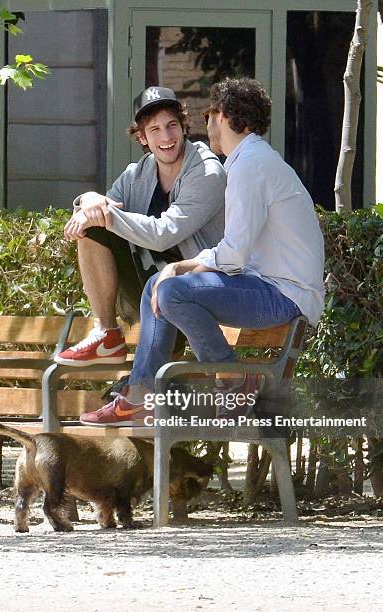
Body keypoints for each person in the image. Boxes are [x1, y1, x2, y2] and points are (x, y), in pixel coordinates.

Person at [79, 77, 325, 426]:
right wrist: (182, 268)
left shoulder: (249, 165)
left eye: (209, 113)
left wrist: (185, 267)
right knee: (158, 287)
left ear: (223, 116)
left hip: (285, 295)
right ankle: (140, 396)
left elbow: (234, 255)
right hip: (273, 286)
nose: (205, 123)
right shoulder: (249, 160)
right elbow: (234, 253)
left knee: (171, 290)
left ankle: (233, 379)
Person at [54, 86, 226, 366]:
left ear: (184, 127)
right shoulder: (138, 173)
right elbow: (99, 211)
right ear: (142, 137)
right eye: (155, 130)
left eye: (172, 125)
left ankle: (149, 379)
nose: (166, 137)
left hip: (197, 292)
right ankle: (107, 334)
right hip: (153, 293)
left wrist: (100, 210)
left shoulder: (207, 172)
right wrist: (89, 199)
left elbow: (163, 234)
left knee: (101, 220)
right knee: (94, 231)